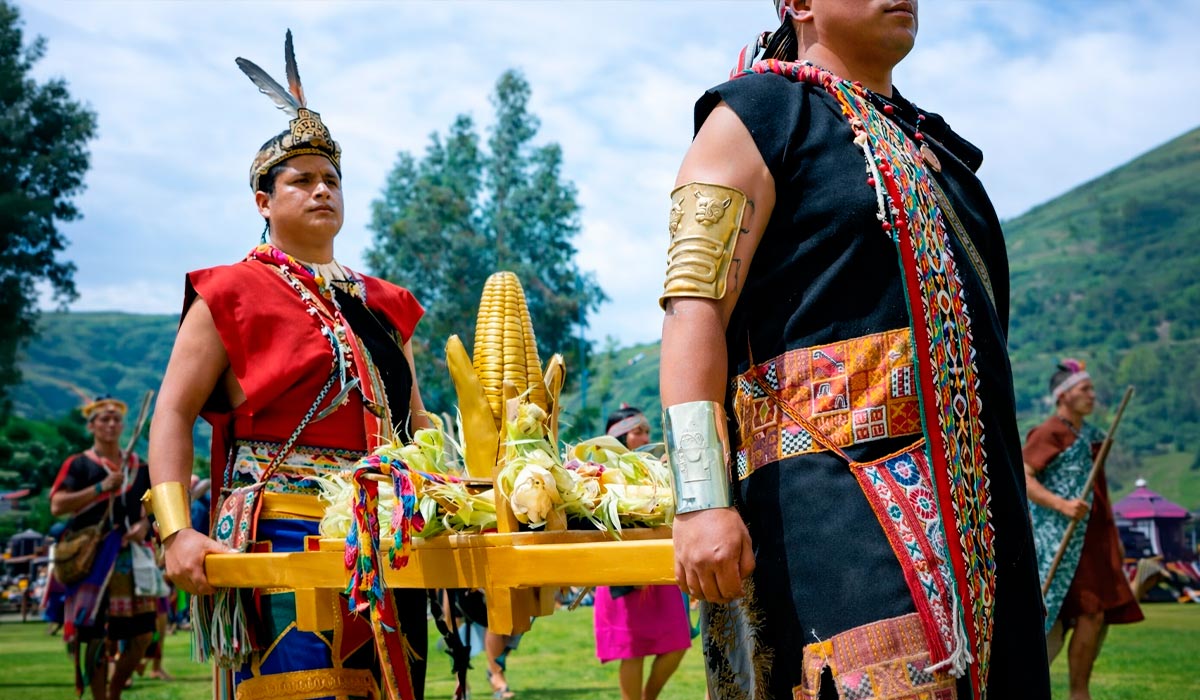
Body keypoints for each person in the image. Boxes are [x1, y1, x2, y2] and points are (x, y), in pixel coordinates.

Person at [658, 2, 1050, 698]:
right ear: (799, 2)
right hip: (836, 517)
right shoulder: (751, 118)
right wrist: (699, 498)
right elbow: (693, 312)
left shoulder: (944, 153)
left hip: (985, 521)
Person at [144, 32, 429, 700]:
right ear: (264, 201)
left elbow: (416, 424)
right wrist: (176, 530)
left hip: (389, 534)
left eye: (332, 179)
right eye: (301, 180)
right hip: (280, 532)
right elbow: (173, 413)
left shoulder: (386, 305)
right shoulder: (229, 293)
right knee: (304, 687)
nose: (322, 189)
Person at [1023, 360, 1143, 700]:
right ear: (1063, 395)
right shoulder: (1049, 433)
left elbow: (1099, 492)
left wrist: (1114, 538)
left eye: (1091, 389)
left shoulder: (1090, 437)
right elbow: (1024, 475)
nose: (1092, 395)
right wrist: (1061, 504)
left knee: (1094, 614)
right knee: (1060, 618)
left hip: (1093, 540)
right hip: (1059, 540)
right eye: (1084, 390)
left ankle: (1080, 692)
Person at [49, 396, 155, 699]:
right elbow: (57, 504)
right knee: (94, 636)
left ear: (123, 426)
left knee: (142, 635)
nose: (110, 424)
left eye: (115, 419)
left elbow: (150, 509)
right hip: (92, 559)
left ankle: (114, 693)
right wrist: (99, 488)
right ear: (91, 425)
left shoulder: (139, 467)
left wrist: (144, 527)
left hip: (129, 561)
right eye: (103, 419)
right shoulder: (79, 464)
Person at [593, 406, 691, 700]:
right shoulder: (603, 473)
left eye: (648, 431)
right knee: (632, 651)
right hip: (624, 568)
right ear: (620, 437)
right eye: (639, 431)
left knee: (676, 644)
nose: (646, 436)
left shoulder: (656, 466)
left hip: (658, 568)